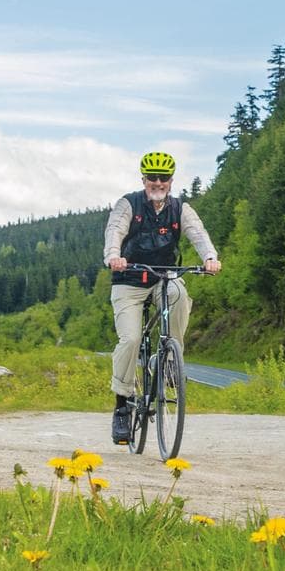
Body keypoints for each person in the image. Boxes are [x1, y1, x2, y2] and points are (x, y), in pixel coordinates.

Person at [104, 151, 222, 445]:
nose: (157, 182)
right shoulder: (128, 204)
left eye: (163, 178)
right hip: (129, 280)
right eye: (152, 177)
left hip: (163, 277)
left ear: (171, 181)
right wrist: (114, 256)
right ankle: (122, 403)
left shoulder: (180, 209)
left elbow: (198, 234)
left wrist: (210, 257)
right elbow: (114, 231)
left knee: (179, 292)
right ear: (143, 178)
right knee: (130, 339)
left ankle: (170, 357)